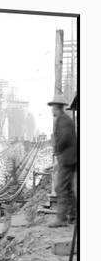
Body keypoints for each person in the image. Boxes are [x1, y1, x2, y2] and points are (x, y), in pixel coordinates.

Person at [48, 94, 77, 227]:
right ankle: (74, 215)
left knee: (60, 188)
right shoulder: (62, 119)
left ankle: (62, 219)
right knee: (68, 188)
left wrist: (57, 148)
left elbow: (64, 138)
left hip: (67, 159)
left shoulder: (63, 120)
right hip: (69, 158)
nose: (52, 110)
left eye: (53, 108)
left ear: (58, 108)